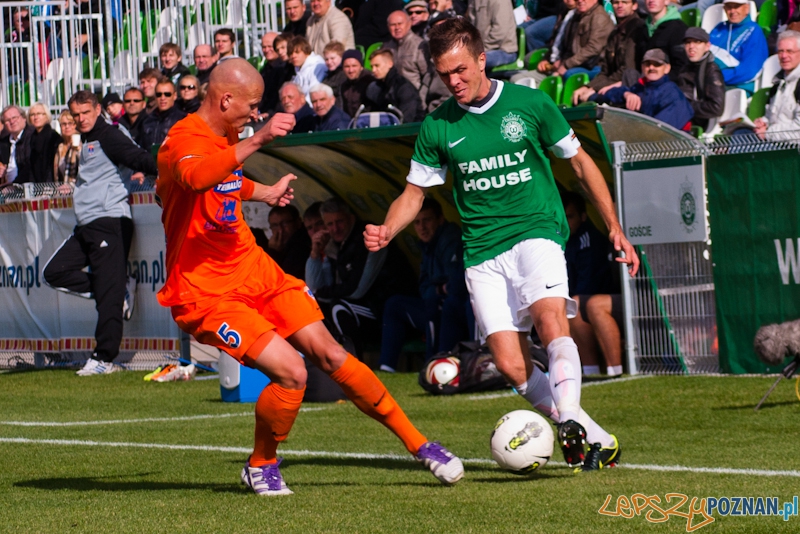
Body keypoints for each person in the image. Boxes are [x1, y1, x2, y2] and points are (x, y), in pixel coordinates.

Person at [156, 58, 464, 495]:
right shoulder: (181, 140)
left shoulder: (226, 134)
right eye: (252, 106)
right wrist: (259, 139)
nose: (256, 115)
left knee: (332, 355)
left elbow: (227, 179)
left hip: (254, 270)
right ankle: (261, 463)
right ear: (225, 99)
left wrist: (264, 191)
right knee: (291, 373)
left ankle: (421, 445)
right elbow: (197, 175)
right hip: (206, 291)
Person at [365, 18, 639, 471]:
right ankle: (593, 436)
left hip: (537, 231)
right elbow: (414, 193)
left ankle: (567, 419)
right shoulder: (437, 127)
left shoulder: (529, 103)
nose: (453, 81)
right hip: (483, 252)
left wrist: (613, 225)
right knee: (511, 366)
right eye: (443, 74)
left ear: (480, 59)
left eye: (460, 70)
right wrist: (387, 230)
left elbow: (580, 164)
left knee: (552, 321)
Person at [43, 90, 158, 376]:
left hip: (110, 221)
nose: (80, 119)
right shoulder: (89, 140)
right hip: (87, 225)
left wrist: (168, 170)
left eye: (85, 113)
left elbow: (139, 158)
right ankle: (119, 288)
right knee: (53, 272)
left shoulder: (109, 135)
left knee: (108, 295)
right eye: (75, 114)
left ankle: (103, 359)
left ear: (97, 110)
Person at [306, 197, 417, 357]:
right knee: (319, 308)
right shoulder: (337, 244)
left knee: (338, 307)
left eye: (339, 221)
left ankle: (355, 363)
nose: (335, 228)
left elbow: (356, 290)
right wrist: (316, 254)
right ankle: (324, 365)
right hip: (369, 309)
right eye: (330, 224)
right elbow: (315, 288)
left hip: (389, 313)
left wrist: (321, 292)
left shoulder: (368, 238)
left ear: (351, 219)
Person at [379, 197, 472, 373]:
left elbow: (456, 284)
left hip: (456, 308)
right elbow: (423, 288)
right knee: (395, 304)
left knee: (437, 305)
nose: (422, 227)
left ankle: (433, 363)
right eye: (417, 222)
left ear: (440, 219)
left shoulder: (450, 238)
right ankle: (386, 367)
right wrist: (438, 288)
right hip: (437, 304)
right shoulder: (426, 246)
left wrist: (438, 289)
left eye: (427, 220)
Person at [594, 48, 695, 131]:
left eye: (657, 64)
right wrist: (626, 94)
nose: (651, 67)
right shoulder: (640, 87)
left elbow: (660, 131)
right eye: (647, 64)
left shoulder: (672, 93)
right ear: (642, 67)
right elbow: (607, 96)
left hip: (671, 146)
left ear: (667, 68)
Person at [571, 0, 649, 104]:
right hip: (611, 83)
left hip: (627, 87)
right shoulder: (615, 33)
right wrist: (588, 87)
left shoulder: (637, 30)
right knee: (579, 94)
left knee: (589, 99)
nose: (619, 6)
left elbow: (627, 70)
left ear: (634, 6)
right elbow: (605, 70)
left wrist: (595, 88)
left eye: (624, 2)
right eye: (616, 2)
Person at [535, 0, 615, 81]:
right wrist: (556, 60)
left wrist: (566, 65)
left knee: (568, 74)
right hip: (574, 62)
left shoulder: (600, 18)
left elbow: (593, 48)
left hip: (594, 65)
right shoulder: (576, 15)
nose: (580, 0)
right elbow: (566, 45)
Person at [709, 0, 768, 94]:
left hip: (738, 87)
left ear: (746, 8)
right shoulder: (719, 29)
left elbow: (749, 71)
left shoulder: (754, 31)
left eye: (736, 6)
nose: (732, 11)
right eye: (729, 7)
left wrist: (716, 77)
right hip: (712, 82)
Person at [677, 27, 724, 130]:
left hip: (697, 124)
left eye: (697, 42)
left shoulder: (711, 71)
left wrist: (686, 106)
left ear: (707, 46)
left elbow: (716, 107)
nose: (691, 47)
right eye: (688, 42)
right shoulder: (685, 68)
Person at [754, 30, 800, 136]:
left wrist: (768, 133)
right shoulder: (778, 83)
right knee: (741, 133)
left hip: (792, 148)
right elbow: (775, 118)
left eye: (790, 51)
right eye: (780, 51)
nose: (784, 56)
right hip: (776, 143)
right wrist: (764, 122)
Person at [365, 48, 425, 123]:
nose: (373, 70)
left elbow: (407, 117)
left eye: (377, 66)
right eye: (372, 67)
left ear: (390, 64)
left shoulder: (403, 87)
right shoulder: (377, 87)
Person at [253, 205, 311, 280]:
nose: (280, 230)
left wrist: (273, 252)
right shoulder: (282, 246)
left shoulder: (302, 245)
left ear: (298, 222)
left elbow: (273, 278)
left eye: (284, 223)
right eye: (275, 226)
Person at [385, 10, 432, 103]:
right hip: (392, 99)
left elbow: (428, 76)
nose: (397, 27)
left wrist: (421, 98)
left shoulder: (420, 46)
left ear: (409, 23)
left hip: (414, 99)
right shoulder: (386, 48)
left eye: (400, 23)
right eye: (393, 25)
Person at [136, 79, 187, 151]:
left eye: (167, 94)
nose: (163, 98)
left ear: (174, 96)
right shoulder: (146, 120)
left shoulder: (183, 120)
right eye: (159, 94)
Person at [643, 0, 688, 81]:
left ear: (667, 1)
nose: (651, 1)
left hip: (667, 85)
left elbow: (681, 66)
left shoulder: (678, 28)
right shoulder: (642, 28)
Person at [467, 0, 518, 69]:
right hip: (482, 49)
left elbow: (500, 32)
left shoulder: (500, 1)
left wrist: (479, 48)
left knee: (471, 62)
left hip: (503, 50)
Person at [26, 103, 62, 184]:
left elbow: (51, 165)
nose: (36, 117)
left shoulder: (53, 136)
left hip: (50, 185)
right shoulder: (32, 137)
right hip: (36, 185)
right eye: (32, 114)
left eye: (39, 114)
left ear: (46, 116)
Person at [259, 33, 293, 116]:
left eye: (270, 46)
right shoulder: (265, 69)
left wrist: (269, 113)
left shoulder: (284, 69)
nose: (267, 50)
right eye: (264, 47)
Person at [0, 105, 34, 185]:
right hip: (9, 189)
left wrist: (14, 184)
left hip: (28, 188)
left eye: (15, 118)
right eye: (8, 120)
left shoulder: (32, 137)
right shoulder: (4, 141)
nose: (12, 122)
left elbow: (29, 166)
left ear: (24, 118)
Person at [340, 49, 376, 117]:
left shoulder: (370, 82)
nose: (351, 70)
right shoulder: (344, 85)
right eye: (347, 66)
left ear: (361, 67)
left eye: (354, 66)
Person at [54, 110, 81, 184]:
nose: (67, 126)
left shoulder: (81, 144)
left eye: (70, 123)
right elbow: (56, 175)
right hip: (62, 191)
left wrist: (78, 151)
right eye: (63, 124)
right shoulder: (60, 147)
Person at [322, 41, 347, 108]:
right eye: (326, 59)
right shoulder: (327, 76)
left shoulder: (343, 75)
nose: (329, 62)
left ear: (341, 57)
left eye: (332, 58)